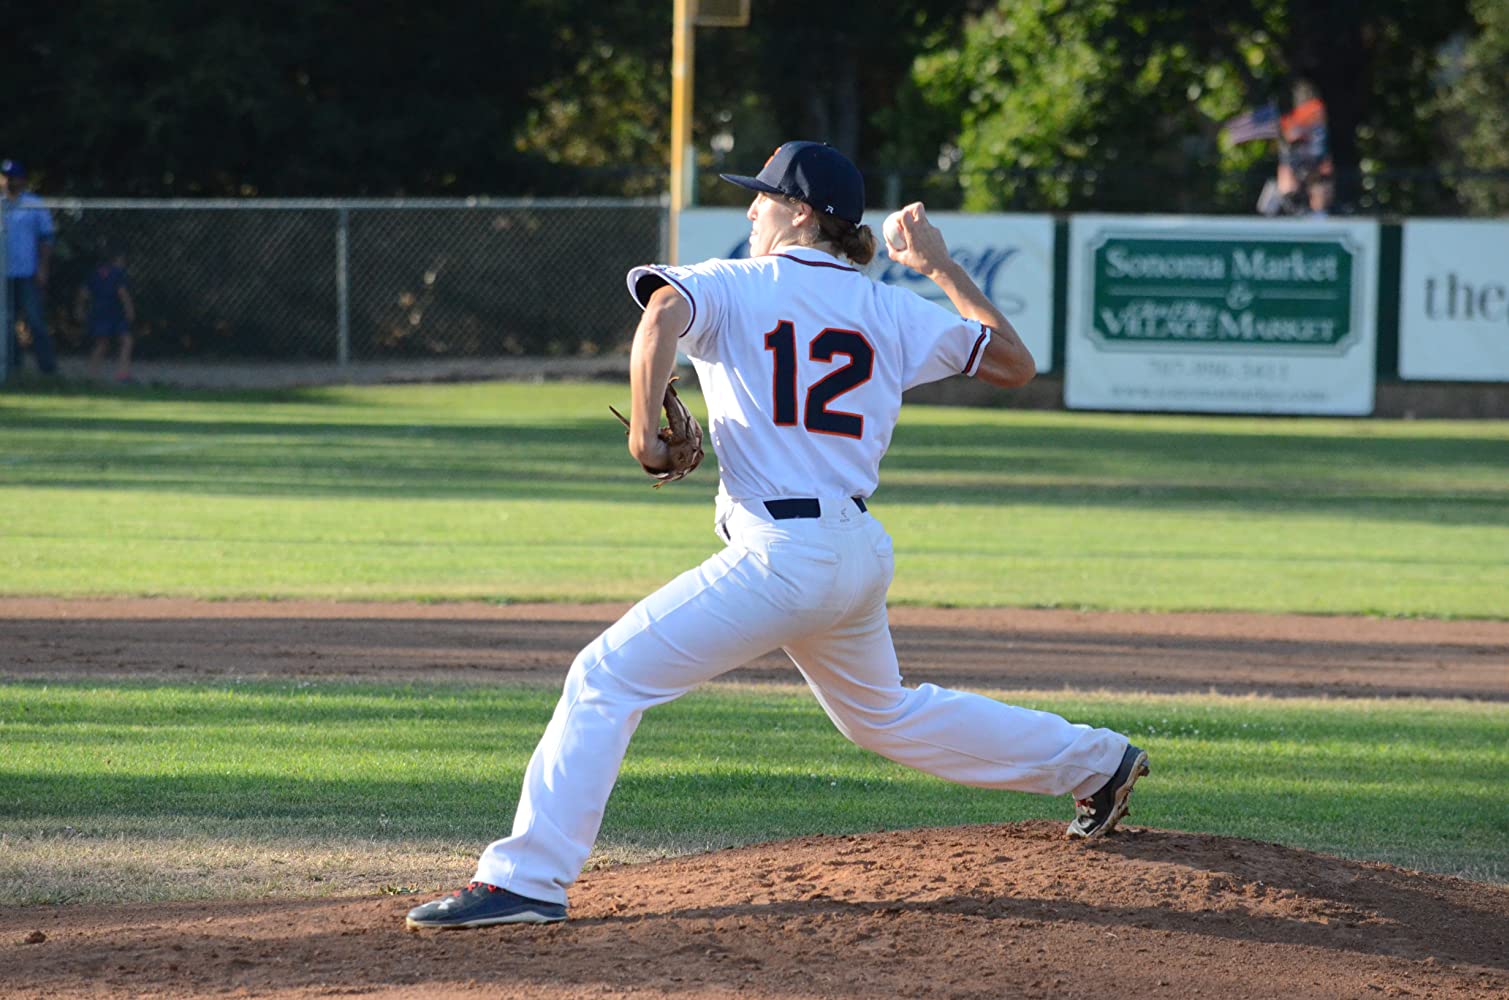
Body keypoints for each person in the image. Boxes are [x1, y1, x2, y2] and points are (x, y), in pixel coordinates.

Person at [405, 140, 1150, 931]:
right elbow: (1011, 364)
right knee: (881, 716)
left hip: (783, 556)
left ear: (800, 212)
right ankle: (1097, 761)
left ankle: (526, 879)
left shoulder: (737, 282)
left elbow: (660, 310)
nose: (750, 210)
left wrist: (645, 433)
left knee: (604, 677)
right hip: (854, 551)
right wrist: (937, 267)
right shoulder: (890, 306)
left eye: (760, 198)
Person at [1, 159, 58, 376]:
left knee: (35, 321)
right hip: (2, 277)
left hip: (27, 273)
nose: (8, 181)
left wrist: (42, 269)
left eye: (12, 177)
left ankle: (48, 371)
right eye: (5, 176)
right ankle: (12, 369)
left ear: (22, 180)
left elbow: (47, 239)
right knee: (5, 325)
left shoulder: (33, 204)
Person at [77, 244, 136, 382]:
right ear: (117, 260)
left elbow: (83, 294)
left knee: (101, 343)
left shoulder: (94, 273)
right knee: (126, 341)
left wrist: (79, 309)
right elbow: (122, 293)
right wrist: (130, 310)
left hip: (98, 312)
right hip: (115, 312)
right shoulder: (118, 274)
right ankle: (123, 374)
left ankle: (92, 374)